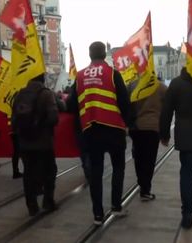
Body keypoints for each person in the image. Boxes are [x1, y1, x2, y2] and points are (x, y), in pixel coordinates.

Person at [67, 41, 132, 225]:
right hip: (114, 130)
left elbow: (72, 105)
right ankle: (116, 206)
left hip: (90, 130)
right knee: (118, 167)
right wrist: (128, 124)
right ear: (104, 55)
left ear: (89, 55)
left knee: (96, 172)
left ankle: (97, 214)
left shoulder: (79, 77)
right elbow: (124, 103)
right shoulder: (113, 74)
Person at [160, 67, 192, 229]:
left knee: (187, 174)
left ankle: (188, 213)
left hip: (186, 137)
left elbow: (166, 111)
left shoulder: (176, 83)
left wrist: (164, 134)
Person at [12, 74, 59, 216]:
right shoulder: (46, 94)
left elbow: (14, 119)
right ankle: (48, 202)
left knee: (28, 173)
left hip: (25, 142)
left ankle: (31, 206)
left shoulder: (19, 94)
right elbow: (53, 118)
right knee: (50, 172)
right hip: (43, 142)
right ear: (43, 79)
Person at [129, 77, 167, 201]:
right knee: (149, 160)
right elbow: (168, 107)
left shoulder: (132, 85)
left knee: (138, 158)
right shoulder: (160, 86)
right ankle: (145, 190)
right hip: (153, 127)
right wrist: (165, 133)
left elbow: (125, 104)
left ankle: (142, 183)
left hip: (137, 128)